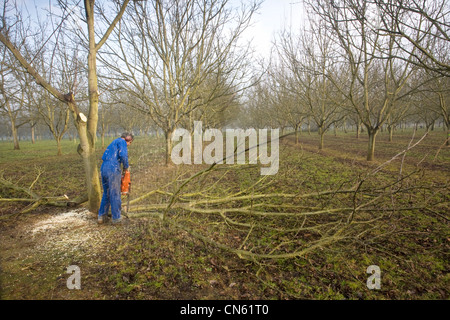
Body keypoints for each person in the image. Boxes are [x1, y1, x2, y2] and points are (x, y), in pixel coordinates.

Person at [98, 132, 133, 224]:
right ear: (128, 140)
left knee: (107, 193)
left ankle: (101, 217)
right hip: (112, 168)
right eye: (130, 143)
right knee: (115, 193)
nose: (128, 145)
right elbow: (123, 155)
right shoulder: (122, 142)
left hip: (104, 167)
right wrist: (126, 167)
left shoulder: (113, 142)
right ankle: (116, 218)